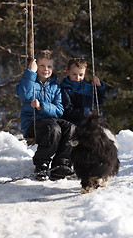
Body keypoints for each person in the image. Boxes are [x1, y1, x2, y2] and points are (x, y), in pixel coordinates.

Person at [16, 50, 76, 181]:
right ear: (36, 66)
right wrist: (30, 73)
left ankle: (61, 164)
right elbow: (23, 93)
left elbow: (59, 110)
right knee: (53, 128)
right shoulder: (29, 82)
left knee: (70, 128)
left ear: (53, 68)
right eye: (42, 66)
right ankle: (41, 164)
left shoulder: (55, 86)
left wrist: (42, 106)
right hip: (33, 123)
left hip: (51, 120)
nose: (46, 69)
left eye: (49, 66)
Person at [61, 57, 106, 125]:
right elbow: (67, 111)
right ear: (67, 72)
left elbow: (100, 100)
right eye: (74, 74)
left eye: (81, 75)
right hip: (71, 123)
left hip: (88, 123)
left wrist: (99, 87)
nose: (77, 77)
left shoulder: (88, 88)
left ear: (85, 74)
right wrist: (85, 112)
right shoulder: (64, 89)